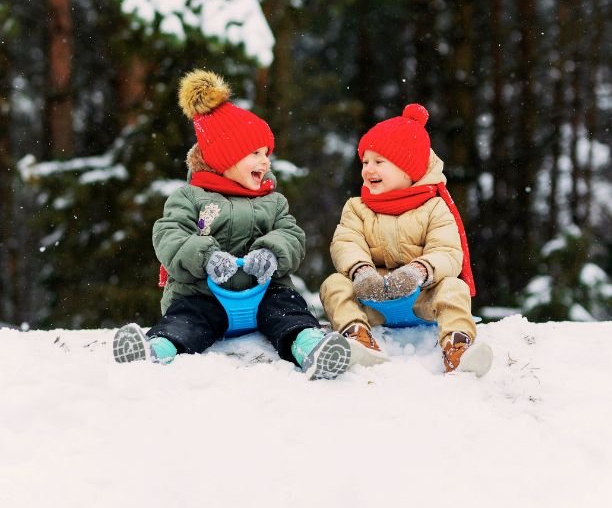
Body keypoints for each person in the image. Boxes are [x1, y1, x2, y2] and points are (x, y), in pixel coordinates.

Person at [112, 70, 350, 380]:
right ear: (224, 158)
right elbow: (169, 236)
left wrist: (271, 253)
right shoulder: (190, 197)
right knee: (185, 322)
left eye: (266, 154)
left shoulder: (272, 200)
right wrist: (206, 257)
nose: (264, 162)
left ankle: (312, 348)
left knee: (289, 311)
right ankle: (153, 351)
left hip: (263, 292)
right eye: (254, 154)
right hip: (203, 295)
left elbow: (291, 234)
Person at [319, 104, 493, 376]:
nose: (368, 169)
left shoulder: (434, 207)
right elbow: (346, 243)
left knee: (452, 287)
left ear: (407, 169)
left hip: (421, 299)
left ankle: (457, 345)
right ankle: (356, 335)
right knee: (334, 285)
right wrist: (362, 271)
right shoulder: (357, 207)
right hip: (372, 297)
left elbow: (447, 251)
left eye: (379, 162)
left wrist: (419, 271)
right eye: (365, 162)